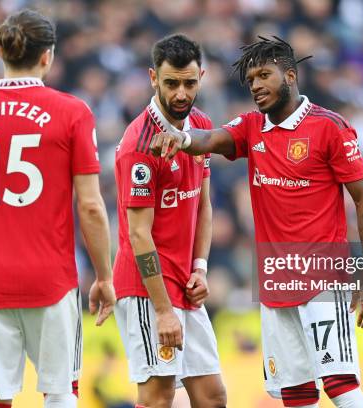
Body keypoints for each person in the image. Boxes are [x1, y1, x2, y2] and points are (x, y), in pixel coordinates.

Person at [151, 36, 363, 408]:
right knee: (296, 395)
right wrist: (180, 137)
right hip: (275, 284)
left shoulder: (330, 128)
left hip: (322, 277)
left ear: (290, 74)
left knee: (340, 386)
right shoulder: (251, 127)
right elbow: (210, 138)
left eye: (264, 75)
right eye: (251, 79)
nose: (256, 85)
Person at [0, 10, 116, 408]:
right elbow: (90, 205)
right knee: (60, 393)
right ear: (48, 56)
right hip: (51, 281)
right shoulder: (73, 113)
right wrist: (104, 275)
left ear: (0, 50)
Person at [113, 34, 227, 408]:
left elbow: (202, 205)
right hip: (149, 289)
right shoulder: (140, 146)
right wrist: (162, 310)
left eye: (190, 83)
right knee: (158, 399)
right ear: (152, 78)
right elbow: (138, 235)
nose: (181, 94)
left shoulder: (200, 127)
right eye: (171, 83)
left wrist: (201, 266)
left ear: (202, 77)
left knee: (212, 397)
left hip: (186, 283)